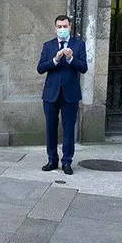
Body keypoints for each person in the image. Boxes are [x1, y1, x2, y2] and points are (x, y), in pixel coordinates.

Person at [36, 15, 88, 175]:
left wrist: (71, 58)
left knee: (68, 129)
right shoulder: (48, 46)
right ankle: (52, 160)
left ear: (70, 27)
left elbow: (84, 68)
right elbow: (40, 68)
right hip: (51, 94)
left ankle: (67, 162)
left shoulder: (79, 45)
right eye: (59, 27)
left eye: (65, 26)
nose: (62, 29)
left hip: (70, 95)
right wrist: (56, 59)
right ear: (55, 28)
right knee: (51, 128)